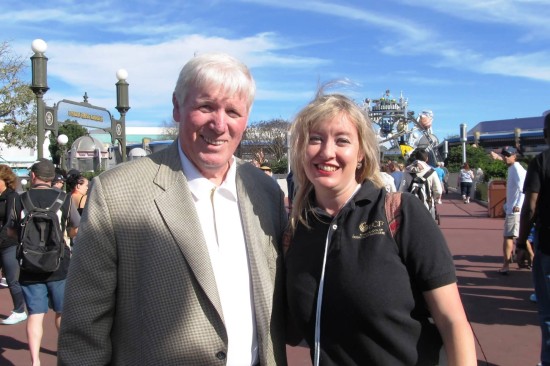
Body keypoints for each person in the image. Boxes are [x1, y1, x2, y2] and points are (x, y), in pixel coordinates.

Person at [58, 53, 288, 365]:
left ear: (245, 120)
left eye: (233, 111)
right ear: (177, 107)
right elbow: (83, 329)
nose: (219, 124)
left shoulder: (265, 192)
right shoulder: (115, 194)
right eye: (206, 106)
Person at [285, 91, 476, 365]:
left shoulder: (401, 213)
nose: (327, 152)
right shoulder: (297, 229)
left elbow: (453, 322)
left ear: (361, 153)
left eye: (342, 140)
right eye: (315, 139)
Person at [6, 159, 79, 365]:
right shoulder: (64, 199)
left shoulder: (20, 199)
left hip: (29, 264)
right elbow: (75, 227)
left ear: (33, 176)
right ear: (52, 178)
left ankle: (35, 360)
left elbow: (11, 232)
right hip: (59, 263)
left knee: (35, 314)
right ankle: (65, 353)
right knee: (61, 311)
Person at [517, 113, 550, 366]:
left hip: (548, 242)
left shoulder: (542, 161)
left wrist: (520, 242)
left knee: (548, 313)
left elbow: (531, 206)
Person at [0, 164, 27, 325]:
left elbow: (11, 221)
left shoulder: (12, 197)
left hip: (9, 242)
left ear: (5, 180)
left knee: (12, 279)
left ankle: (19, 310)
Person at [498, 146, 526, 274]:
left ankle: (506, 265)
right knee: (521, 238)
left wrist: (518, 205)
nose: (505, 157)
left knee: (508, 237)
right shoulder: (512, 168)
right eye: (504, 155)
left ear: (514, 155)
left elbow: (523, 189)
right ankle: (531, 260)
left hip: (515, 210)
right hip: (512, 208)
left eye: (508, 155)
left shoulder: (516, 169)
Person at [400, 148, 442, 219]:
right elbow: (438, 190)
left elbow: (402, 189)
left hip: (411, 204)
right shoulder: (431, 171)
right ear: (427, 159)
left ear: (415, 157)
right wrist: (436, 200)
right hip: (427, 204)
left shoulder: (407, 170)